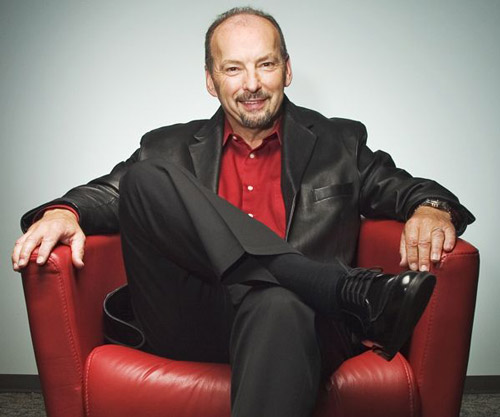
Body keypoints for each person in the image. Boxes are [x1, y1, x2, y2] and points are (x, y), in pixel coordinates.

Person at [12, 7, 474, 417]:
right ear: (211, 80)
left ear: (287, 70)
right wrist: (64, 211)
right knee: (144, 178)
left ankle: (314, 288)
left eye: (265, 64)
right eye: (233, 68)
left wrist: (431, 208)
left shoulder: (340, 143)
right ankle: (341, 288)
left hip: (301, 318)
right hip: (192, 315)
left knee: (279, 302)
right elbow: (107, 195)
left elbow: (410, 189)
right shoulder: (166, 146)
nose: (251, 84)